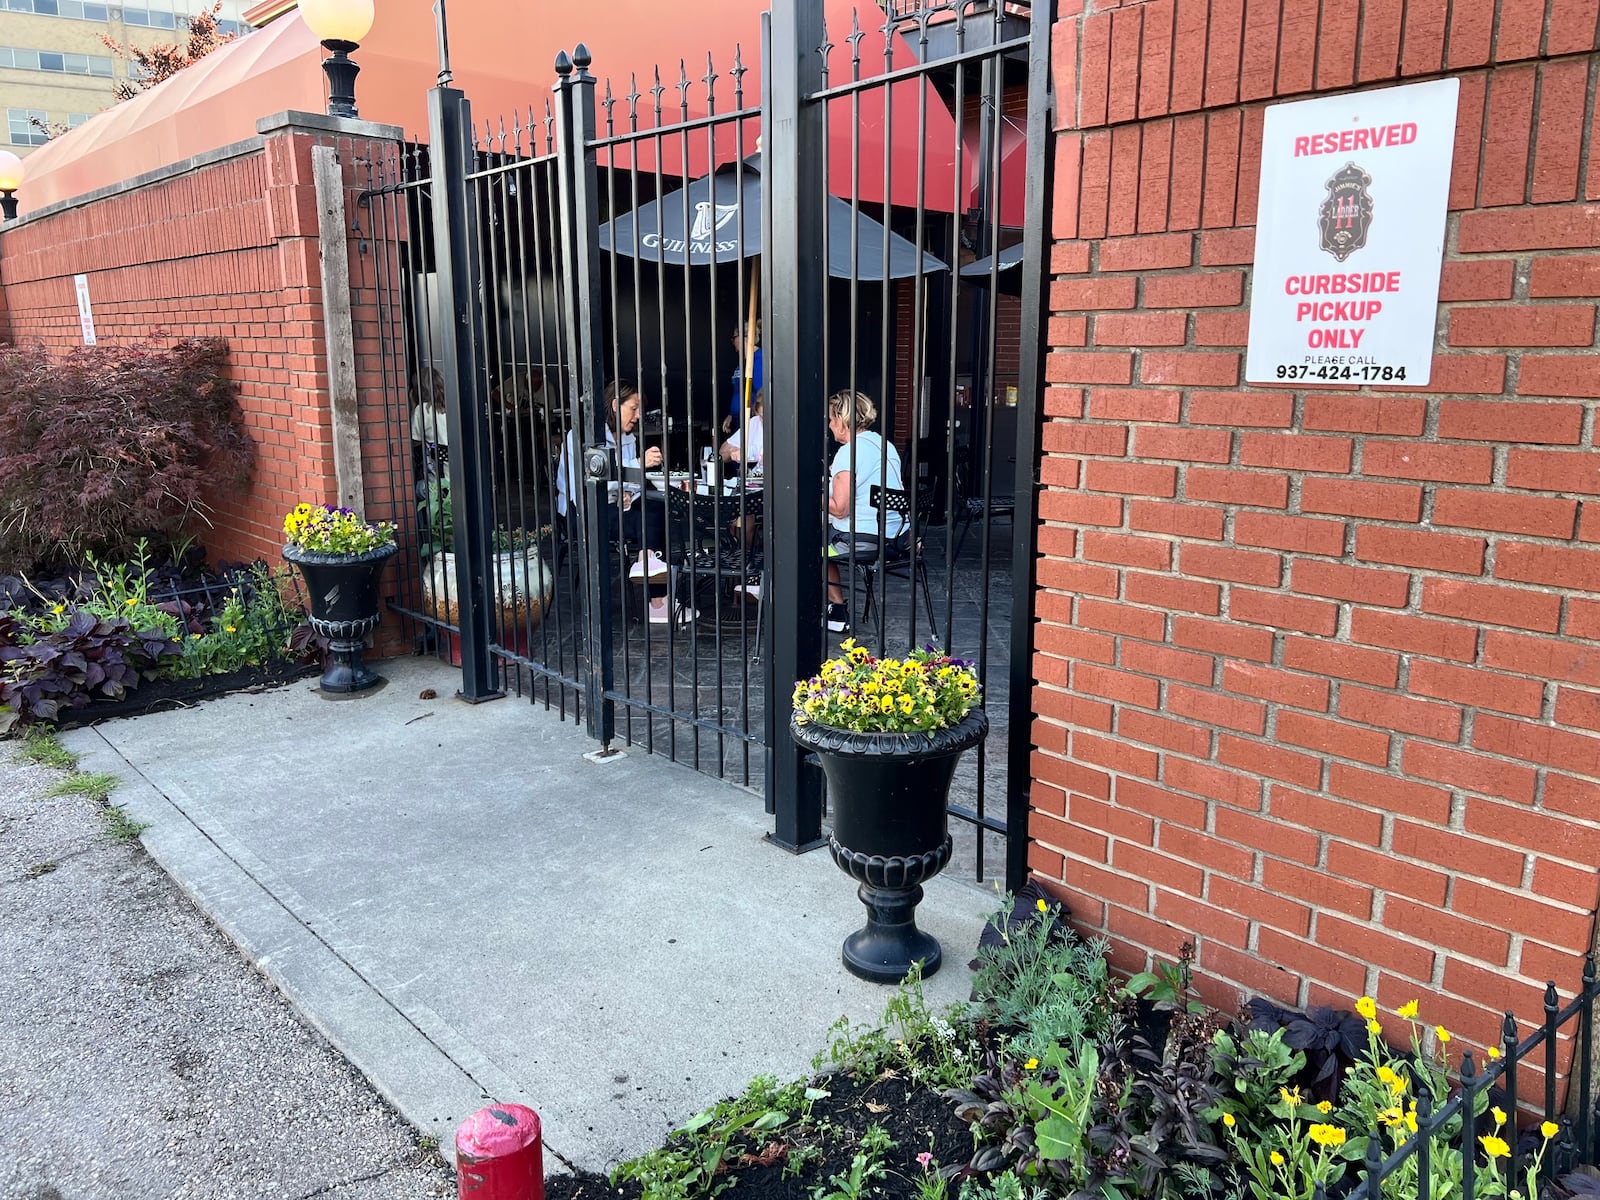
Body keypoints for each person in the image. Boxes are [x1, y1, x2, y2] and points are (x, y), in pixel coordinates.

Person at [555, 380, 693, 625]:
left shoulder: (627, 437)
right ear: (616, 405)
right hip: (584, 513)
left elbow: (631, 484)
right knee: (645, 518)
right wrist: (636, 469)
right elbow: (590, 486)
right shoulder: (584, 437)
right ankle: (657, 600)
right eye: (635, 408)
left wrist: (627, 490)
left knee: (656, 507)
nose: (639, 416)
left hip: (615, 506)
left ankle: (646, 562)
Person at [824, 389, 905, 633]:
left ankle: (836, 609)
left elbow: (839, 509)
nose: (829, 424)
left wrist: (807, 494)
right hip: (898, 537)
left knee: (809, 544)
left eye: (831, 418)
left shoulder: (849, 452)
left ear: (842, 419)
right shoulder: (884, 444)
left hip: (863, 541)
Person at [723, 321, 763, 435]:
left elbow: (761, 393)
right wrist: (732, 414)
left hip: (751, 423)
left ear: (744, 337)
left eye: (734, 337)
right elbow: (738, 391)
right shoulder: (743, 362)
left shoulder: (759, 360)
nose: (732, 341)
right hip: (738, 421)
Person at [719, 388, 763, 468]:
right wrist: (733, 451)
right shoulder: (754, 422)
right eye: (762, 416)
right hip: (753, 479)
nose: (765, 422)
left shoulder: (790, 429)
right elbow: (722, 452)